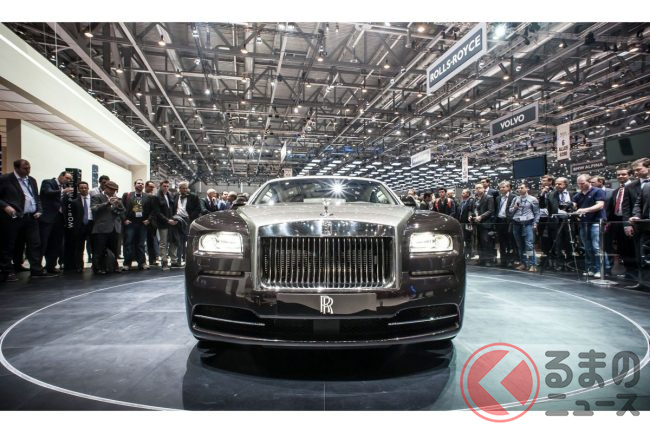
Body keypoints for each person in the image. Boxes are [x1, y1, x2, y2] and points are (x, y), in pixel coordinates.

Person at [0, 159, 53, 281]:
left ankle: (36, 270)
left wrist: (39, 210)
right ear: (16, 168)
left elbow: (36, 197)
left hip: (31, 217)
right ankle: (6, 271)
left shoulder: (31, 180)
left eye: (29, 168)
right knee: (9, 244)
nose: (28, 170)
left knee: (35, 243)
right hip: (13, 217)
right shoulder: (5, 179)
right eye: (25, 168)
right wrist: (5, 206)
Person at [573, 173, 608, 278]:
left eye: (582, 183)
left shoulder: (598, 191)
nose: (580, 185)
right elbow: (574, 206)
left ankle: (601, 269)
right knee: (587, 247)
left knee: (596, 247)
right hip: (584, 223)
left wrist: (584, 210)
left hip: (596, 222)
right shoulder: (577, 195)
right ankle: (591, 268)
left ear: (589, 182)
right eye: (579, 184)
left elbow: (600, 205)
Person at [39, 170, 73, 273]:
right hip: (47, 217)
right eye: (67, 178)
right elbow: (48, 192)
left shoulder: (64, 188)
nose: (68, 180)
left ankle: (51, 266)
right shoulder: (48, 182)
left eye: (70, 179)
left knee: (56, 243)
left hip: (60, 218)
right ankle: (37, 267)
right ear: (61, 176)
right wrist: (63, 191)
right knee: (43, 242)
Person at [91, 181, 125, 274]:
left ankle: (114, 267)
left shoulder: (117, 198)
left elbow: (123, 211)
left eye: (115, 190)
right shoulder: (97, 197)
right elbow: (94, 209)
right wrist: (107, 203)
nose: (113, 191)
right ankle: (97, 268)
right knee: (99, 250)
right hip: (101, 228)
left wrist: (119, 205)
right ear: (105, 188)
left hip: (115, 228)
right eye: (111, 189)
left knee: (114, 249)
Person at [121, 179, 156, 271]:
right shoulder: (127, 195)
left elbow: (153, 210)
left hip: (142, 223)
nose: (140, 185)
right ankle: (127, 263)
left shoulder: (148, 197)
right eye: (138, 183)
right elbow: (122, 208)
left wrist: (149, 220)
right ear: (135, 185)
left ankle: (142, 263)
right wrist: (124, 219)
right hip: (130, 223)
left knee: (141, 244)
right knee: (128, 243)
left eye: (142, 183)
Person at [61, 181, 93, 273]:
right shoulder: (74, 201)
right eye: (81, 188)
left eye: (85, 187)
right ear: (78, 189)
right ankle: (79, 266)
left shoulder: (93, 199)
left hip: (91, 224)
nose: (83, 189)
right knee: (79, 248)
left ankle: (96, 265)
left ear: (88, 188)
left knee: (94, 247)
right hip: (80, 226)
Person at [509, 183, 540, 272]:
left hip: (528, 223)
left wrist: (535, 223)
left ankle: (532, 264)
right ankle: (523, 263)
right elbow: (510, 210)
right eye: (518, 188)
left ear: (527, 188)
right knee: (520, 245)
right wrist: (515, 208)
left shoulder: (533, 199)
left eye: (521, 187)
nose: (519, 189)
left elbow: (537, 213)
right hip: (516, 223)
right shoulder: (515, 199)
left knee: (529, 244)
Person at [170, 181, 200, 267]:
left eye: (186, 188)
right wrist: (172, 216)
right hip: (177, 220)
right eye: (183, 188)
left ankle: (189, 260)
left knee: (188, 241)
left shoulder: (194, 196)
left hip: (188, 220)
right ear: (179, 189)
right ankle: (178, 261)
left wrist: (191, 217)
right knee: (178, 240)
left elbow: (198, 209)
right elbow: (173, 207)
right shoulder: (176, 196)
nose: (185, 190)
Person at [471, 183, 495, 266]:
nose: (478, 189)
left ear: (484, 189)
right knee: (479, 243)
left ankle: (488, 260)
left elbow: (491, 210)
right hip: (477, 224)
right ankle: (481, 259)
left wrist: (481, 217)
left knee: (486, 242)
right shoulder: (475, 199)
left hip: (486, 223)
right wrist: (471, 216)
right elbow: (473, 210)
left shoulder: (489, 197)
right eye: (476, 188)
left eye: (479, 188)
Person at [156, 180, 177, 270]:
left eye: (167, 186)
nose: (166, 188)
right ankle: (164, 262)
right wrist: (167, 220)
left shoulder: (170, 195)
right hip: (163, 223)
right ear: (160, 186)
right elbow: (157, 212)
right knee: (163, 243)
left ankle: (173, 260)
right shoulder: (157, 197)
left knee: (173, 241)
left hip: (171, 222)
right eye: (164, 186)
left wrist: (174, 218)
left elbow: (173, 209)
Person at [495, 181, 516, 268]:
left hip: (509, 222)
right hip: (500, 221)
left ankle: (510, 260)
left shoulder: (514, 197)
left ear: (508, 188)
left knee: (510, 241)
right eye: (500, 187)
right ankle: (503, 260)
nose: (501, 189)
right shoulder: (498, 198)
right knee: (501, 242)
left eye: (503, 187)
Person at [144, 180, 160, 266]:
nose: (152, 188)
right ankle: (141, 261)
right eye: (150, 187)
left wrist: (149, 220)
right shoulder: (139, 196)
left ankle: (152, 260)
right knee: (139, 242)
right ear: (146, 186)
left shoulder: (154, 197)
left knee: (151, 242)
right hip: (140, 222)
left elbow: (155, 210)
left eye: (153, 187)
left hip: (151, 223)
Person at [458, 189, 475, 260]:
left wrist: (470, 217)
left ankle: (470, 253)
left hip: (468, 223)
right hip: (462, 223)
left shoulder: (471, 201)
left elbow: (471, 210)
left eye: (464, 193)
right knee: (464, 238)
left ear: (468, 194)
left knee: (468, 239)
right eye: (462, 193)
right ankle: (466, 253)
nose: (462, 194)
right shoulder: (462, 202)